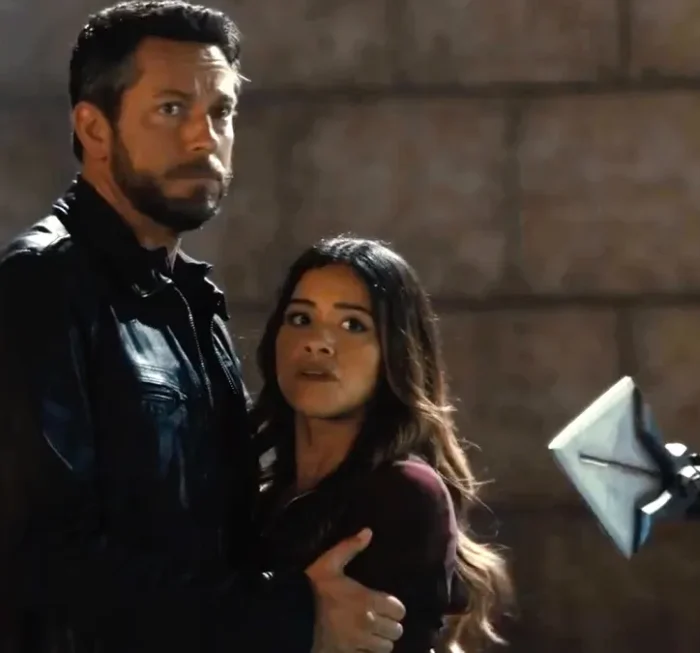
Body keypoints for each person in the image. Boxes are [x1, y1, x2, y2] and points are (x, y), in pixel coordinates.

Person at [0, 2, 403, 652]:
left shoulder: (190, 297)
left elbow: (219, 536)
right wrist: (291, 616)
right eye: (171, 109)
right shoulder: (42, 285)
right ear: (94, 129)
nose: (202, 138)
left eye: (220, 112)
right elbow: (42, 560)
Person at [247, 237, 514, 653]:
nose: (317, 341)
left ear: (395, 353)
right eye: (300, 318)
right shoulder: (263, 494)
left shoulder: (403, 492)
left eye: (353, 325)